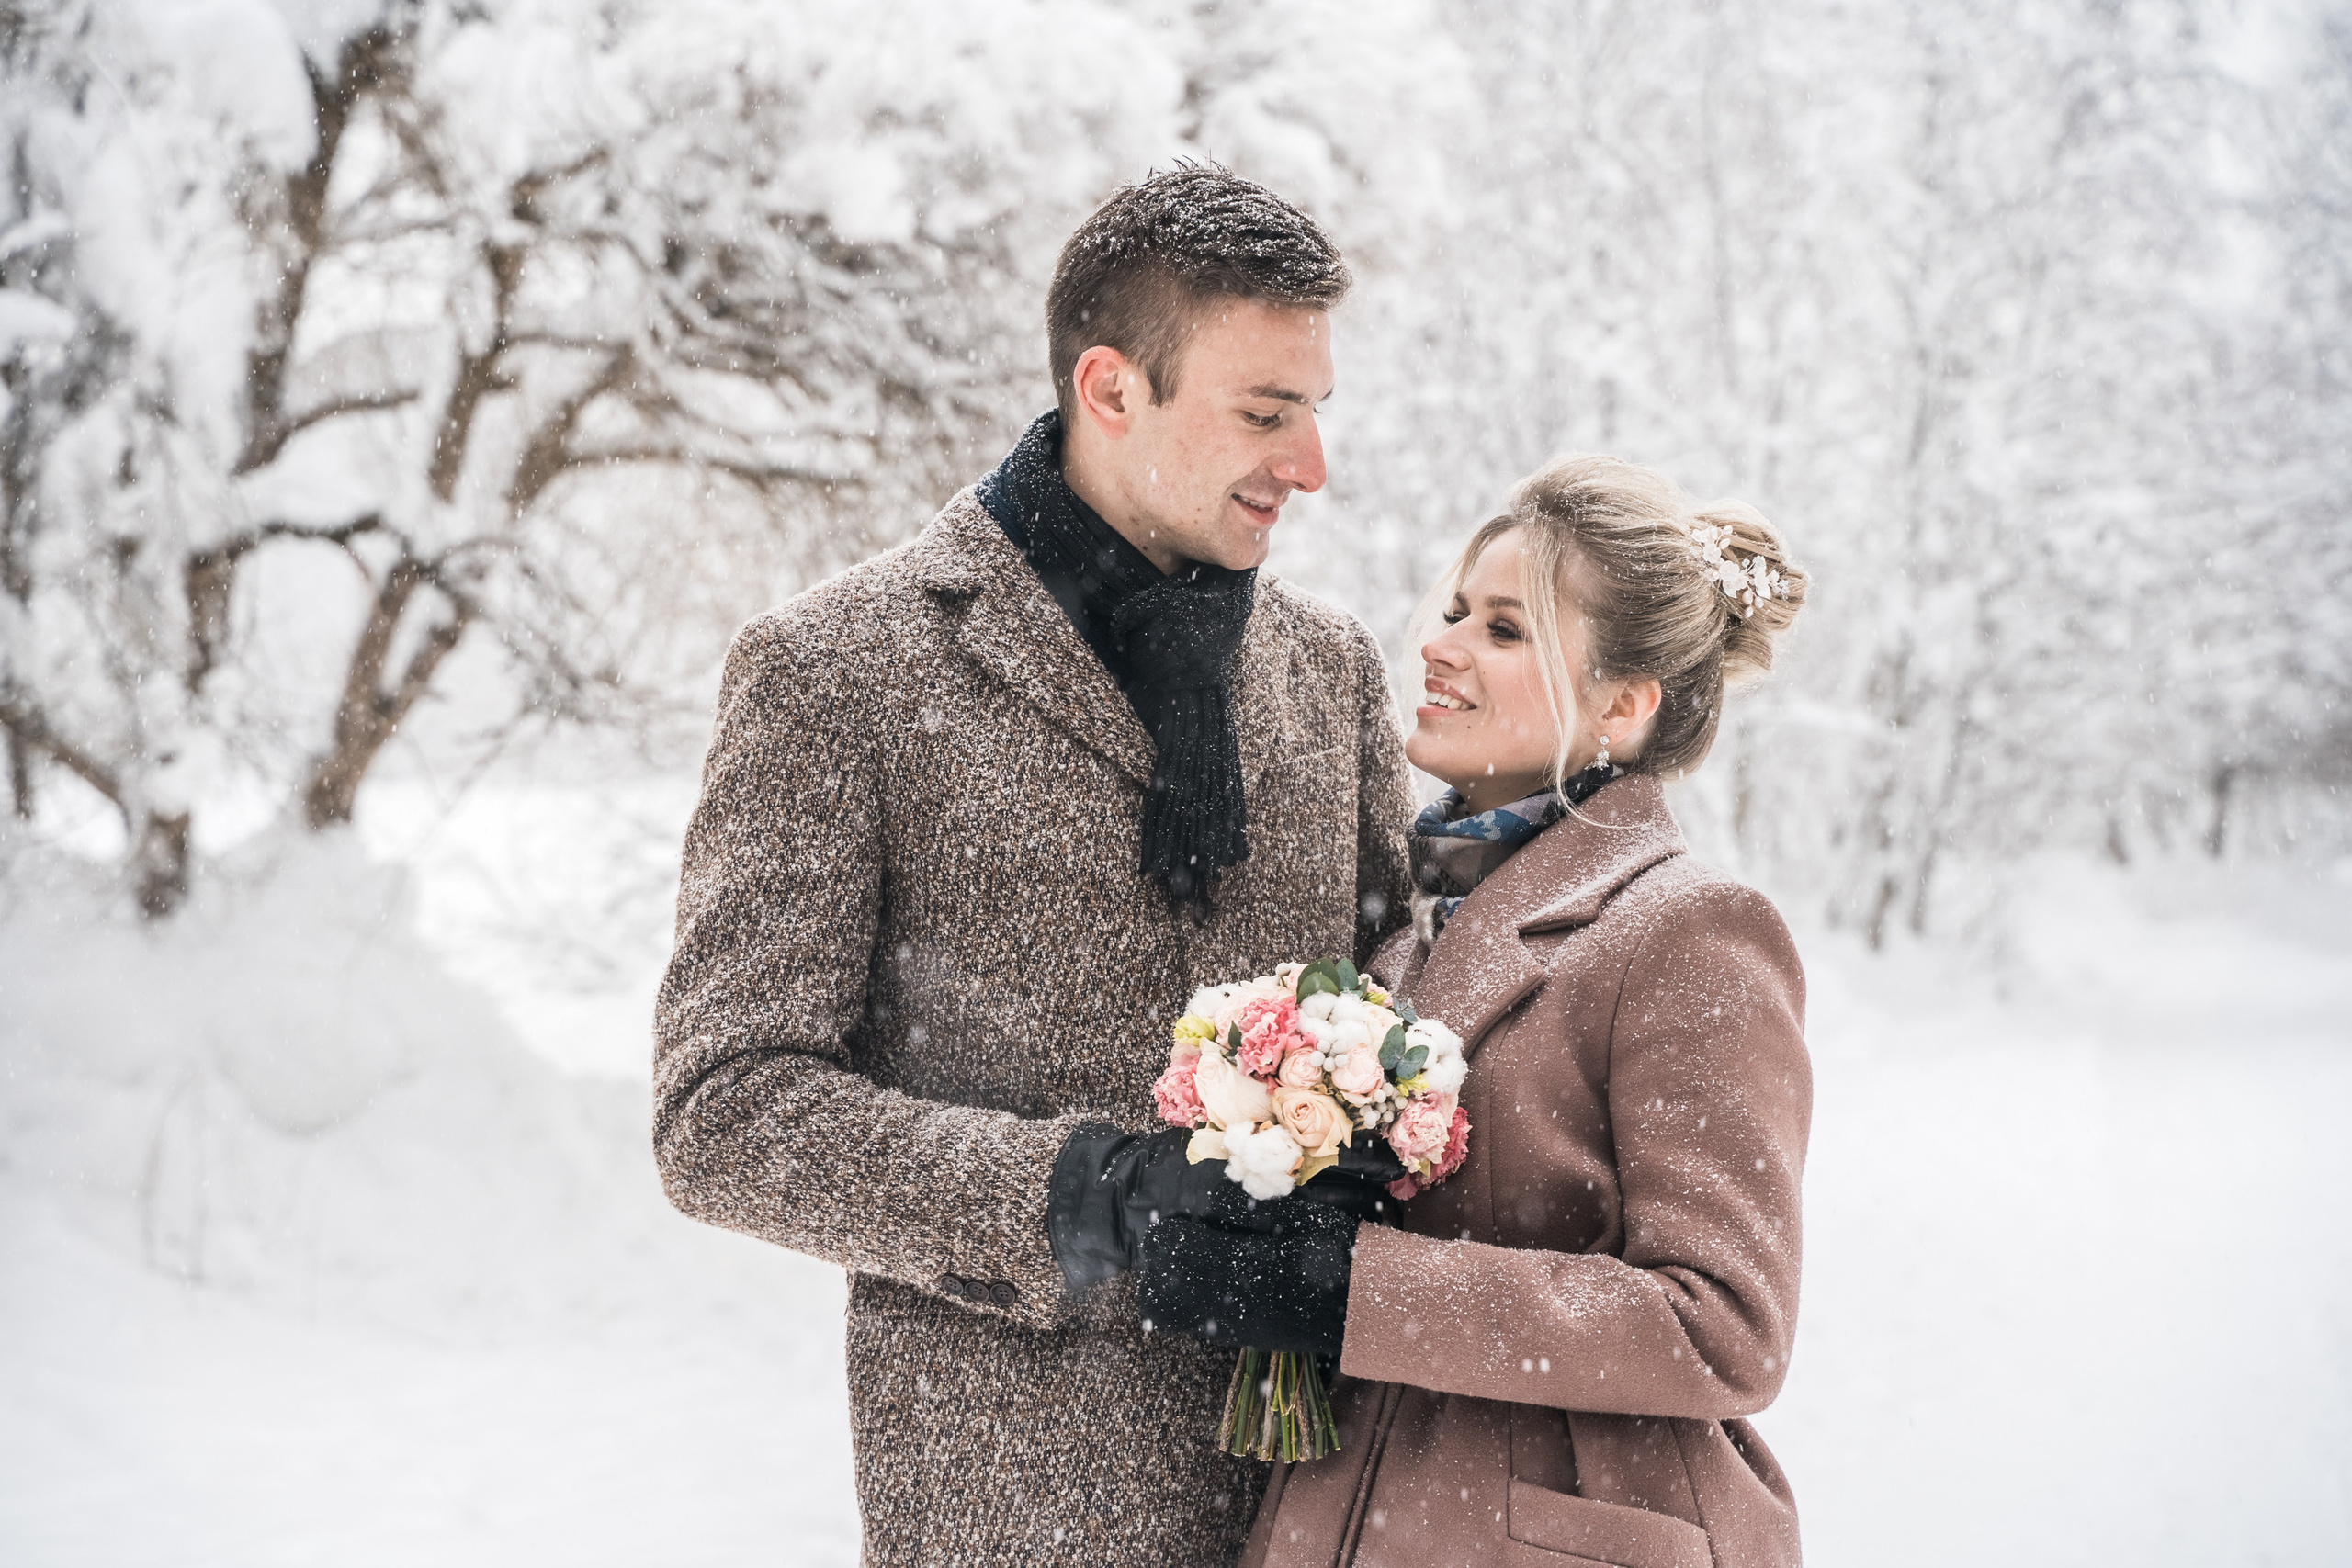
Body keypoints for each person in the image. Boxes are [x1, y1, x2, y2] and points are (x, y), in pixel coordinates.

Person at [650, 165, 1415, 1567]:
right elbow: (723, 1109)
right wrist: (1089, 1199)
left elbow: (1406, 1007)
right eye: (1265, 412)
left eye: (1314, 412)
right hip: (1019, 1511)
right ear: (1111, 389)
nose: (1309, 466)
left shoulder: (1331, 670)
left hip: (1333, 1508)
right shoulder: (837, 671)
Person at [1139, 455, 1815, 1568]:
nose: (1439, 645)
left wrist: (1345, 1287)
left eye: (1505, 630)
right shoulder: (1414, 916)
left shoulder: (1689, 930)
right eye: (1454, 610)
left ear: (1624, 704)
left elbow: (1725, 1325)